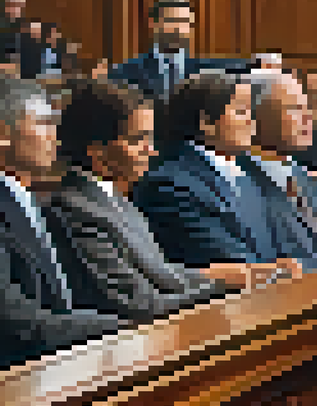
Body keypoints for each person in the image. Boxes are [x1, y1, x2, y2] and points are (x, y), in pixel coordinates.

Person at [46, 80, 253, 324]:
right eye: (137, 140)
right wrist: (226, 287)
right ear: (97, 152)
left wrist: (229, 275)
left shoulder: (111, 196)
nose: (151, 151)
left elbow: (158, 271)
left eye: (151, 139)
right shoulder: (75, 210)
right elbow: (140, 305)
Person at [0, 77, 125, 365]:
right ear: (3, 133)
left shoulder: (33, 202)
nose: (55, 138)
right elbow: (12, 319)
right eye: (44, 124)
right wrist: (117, 328)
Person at [133, 72, 298, 274]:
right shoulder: (168, 185)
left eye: (250, 111)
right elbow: (226, 262)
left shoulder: (248, 178)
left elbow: (278, 252)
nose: (251, 122)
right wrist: (278, 272)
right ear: (206, 122)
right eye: (240, 111)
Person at [240, 69, 317, 271]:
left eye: (307, 108)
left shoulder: (302, 175)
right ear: (253, 114)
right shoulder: (237, 180)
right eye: (294, 108)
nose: (308, 117)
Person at [108, 0, 249, 102]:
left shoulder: (205, 69)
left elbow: (236, 65)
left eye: (185, 22)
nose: (178, 28)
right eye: (171, 21)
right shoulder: (126, 72)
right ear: (153, 23)